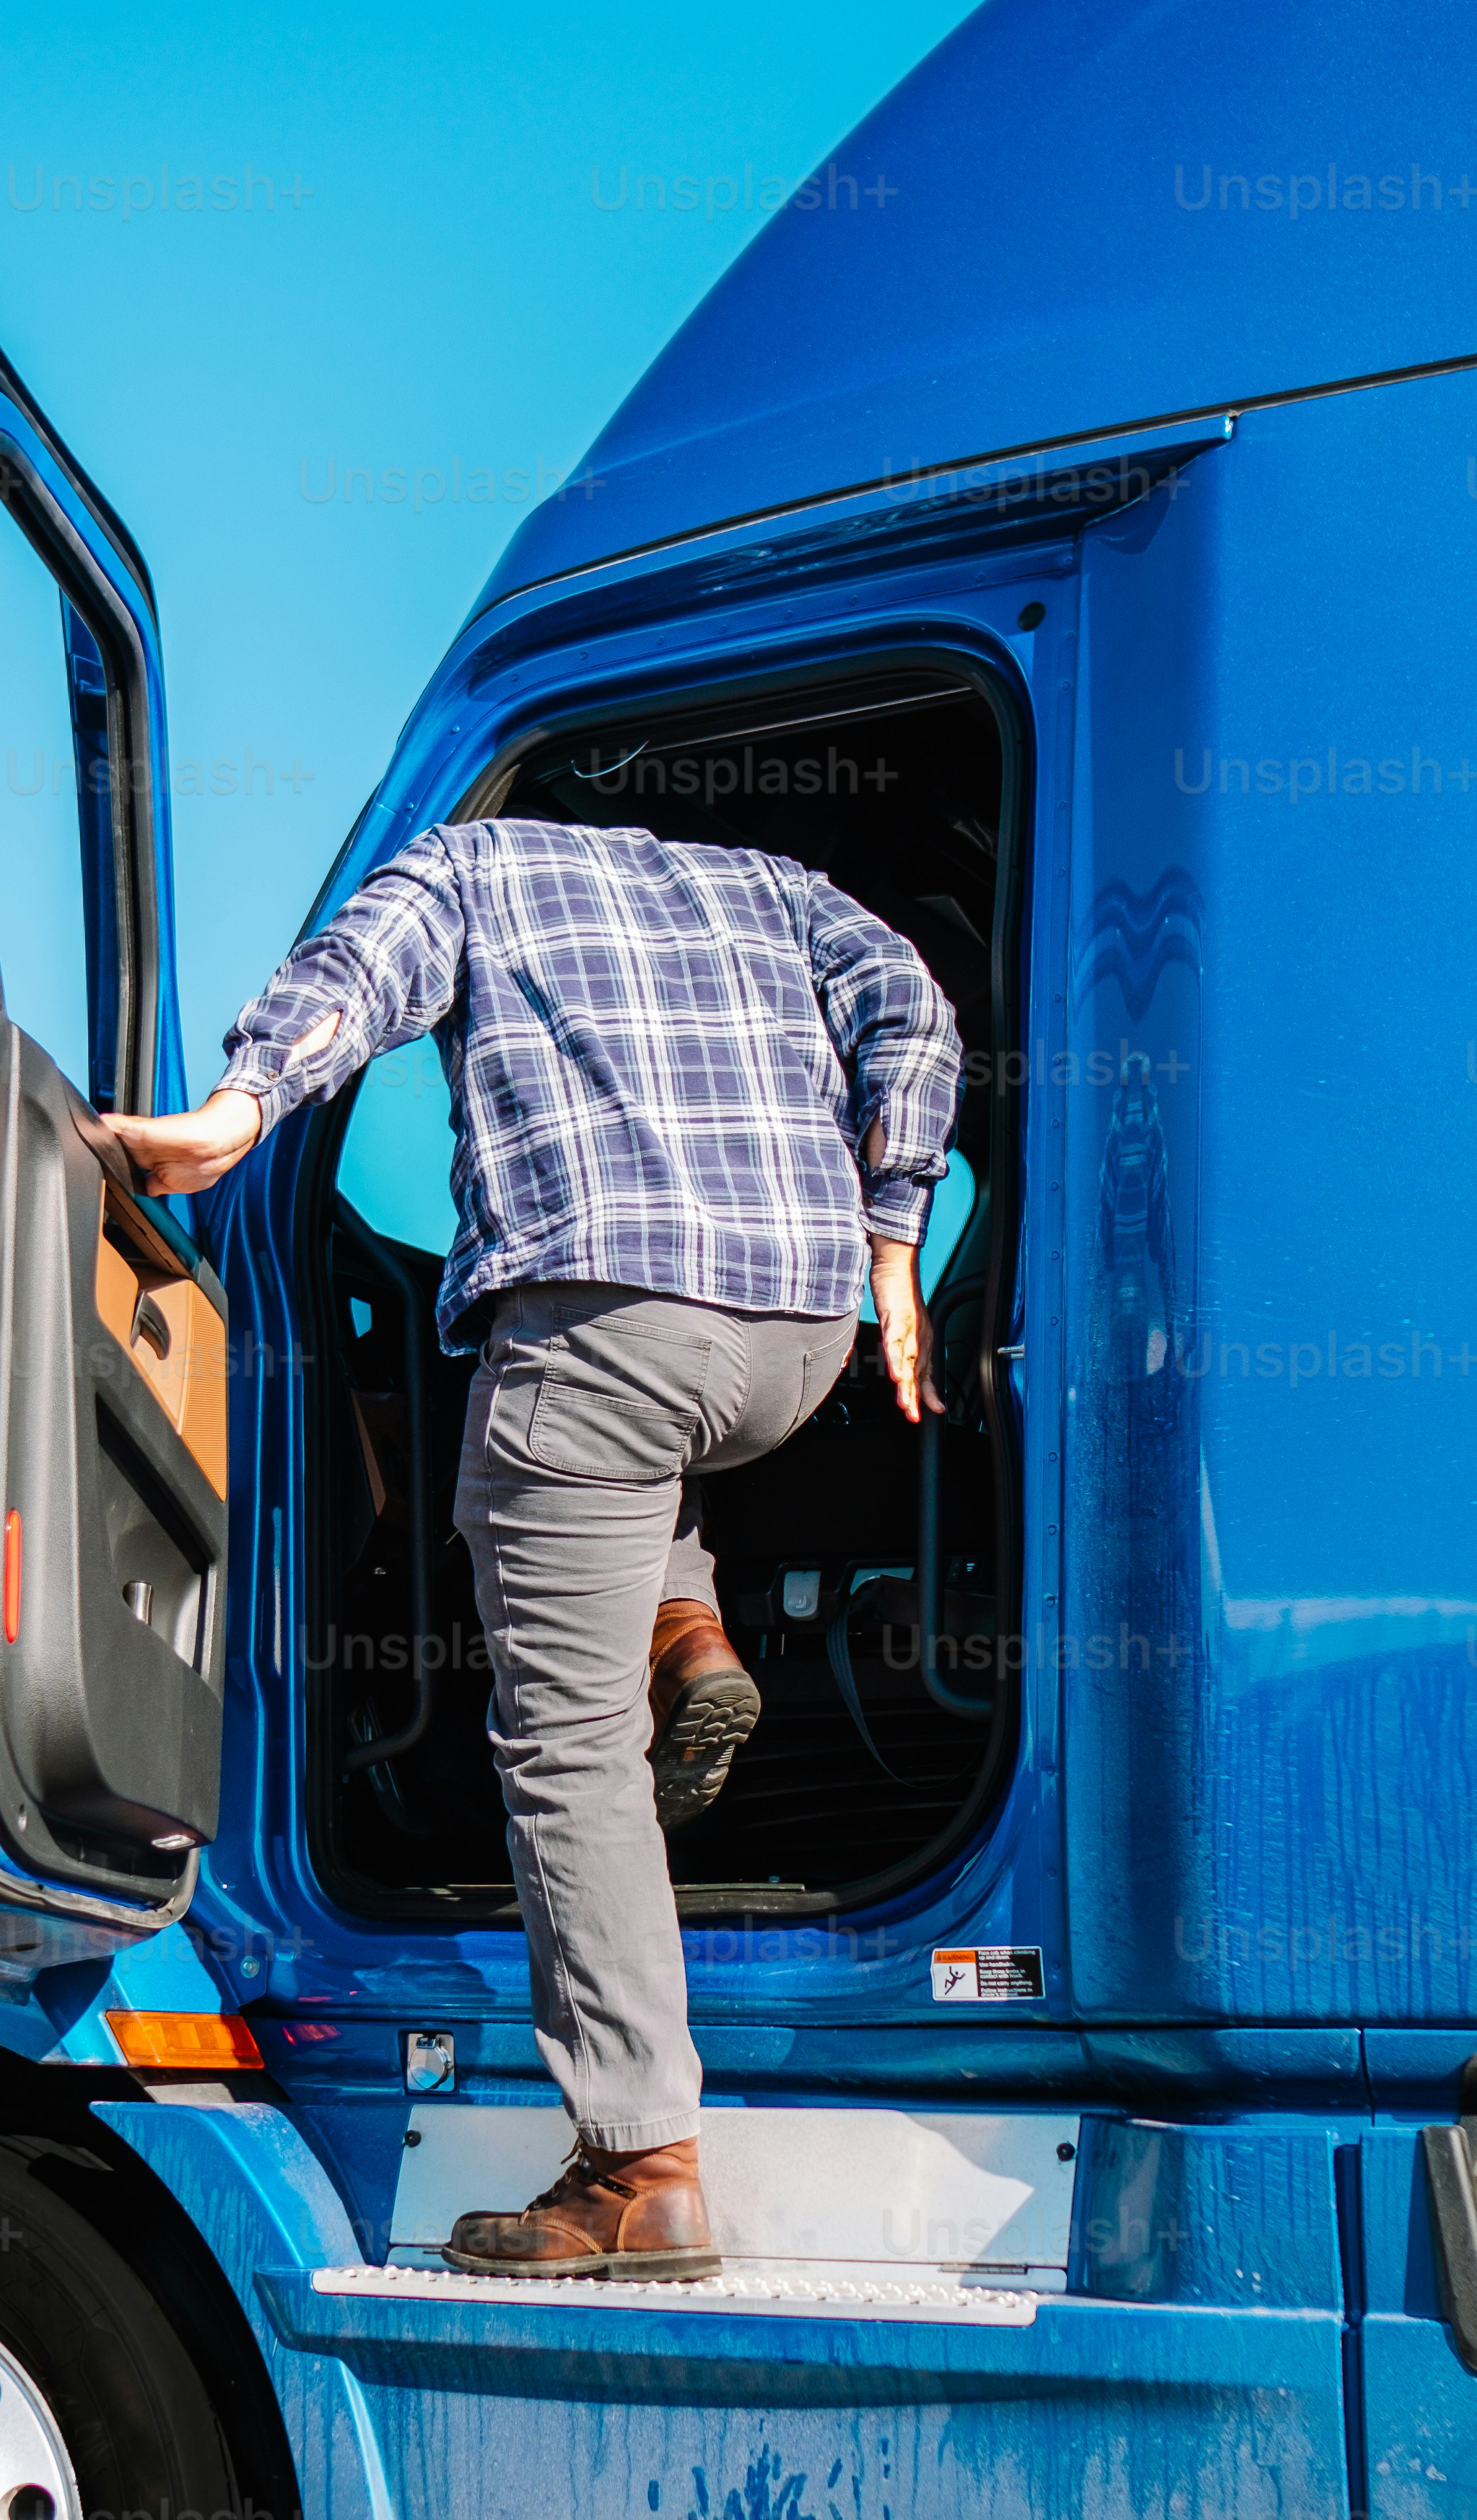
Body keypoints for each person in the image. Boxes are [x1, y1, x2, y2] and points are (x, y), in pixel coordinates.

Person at [111, 812, 962, 2281]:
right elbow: (917, 1015)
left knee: (567, 1744)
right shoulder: (783, 885)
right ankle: (683, 1630)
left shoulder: (472, 864)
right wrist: (891, 1235)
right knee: (625, 1457)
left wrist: (239, 1111)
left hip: (606, 1322)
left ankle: (638, 2164)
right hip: (797, 1343)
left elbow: (354, 978)